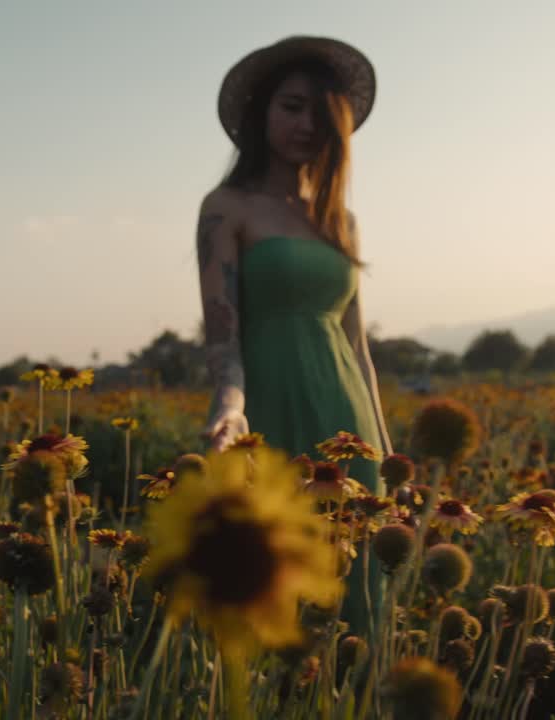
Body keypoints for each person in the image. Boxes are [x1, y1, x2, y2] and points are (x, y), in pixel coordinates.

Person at [195, 35, 393, 636]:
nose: (306, 124)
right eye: (291, 106)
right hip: (268, 410)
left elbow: (359, 348)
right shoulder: (226, 207)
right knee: (271, 592)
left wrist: (389, 456)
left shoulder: (342, 221)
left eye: (320, 112)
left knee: (358, 594)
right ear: (262, 112)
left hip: (347, 422)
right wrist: (230, 411)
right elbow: (222, 339)